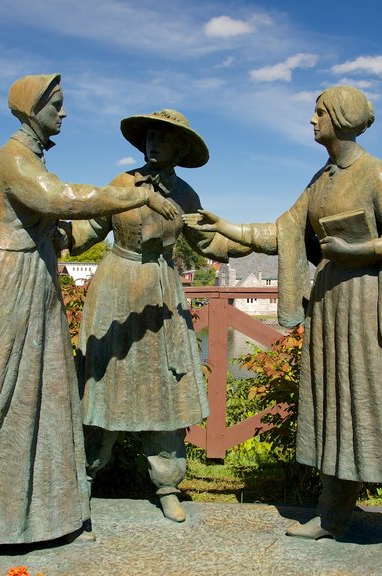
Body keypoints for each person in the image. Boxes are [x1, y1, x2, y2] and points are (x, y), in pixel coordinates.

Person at [184, 86, 382, 571]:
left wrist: (366, 250)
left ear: (340, 117)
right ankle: (334, 516)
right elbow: (284, 232)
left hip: (376, 308)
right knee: (339, 410)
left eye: (319, 112)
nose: (311, 120)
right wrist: (226, 226)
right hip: (334, 308)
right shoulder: (322, 179)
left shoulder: (376, 173)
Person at [0, 74, 178, 546]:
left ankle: (35, 514)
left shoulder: (29, 157)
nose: (63, 114)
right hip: (9, 278)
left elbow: (54, 215)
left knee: (38, 392)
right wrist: (139, 193)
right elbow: (59, 199)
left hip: (32, 273)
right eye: (57, 105)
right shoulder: (15, 158)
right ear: (33, 108)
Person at [69, 109, 249, 523]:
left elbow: (209, 242)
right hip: (116, 288)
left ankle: (167, 484)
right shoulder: (121, 184)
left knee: (166, 385)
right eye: (149, 136)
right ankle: (84, 478)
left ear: (180, 148)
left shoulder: (186, 195)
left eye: (163, 138)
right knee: (101, 382)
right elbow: (91, 227)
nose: (153, 143)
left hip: (163, 293)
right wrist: (56, 233)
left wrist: (255, 241)